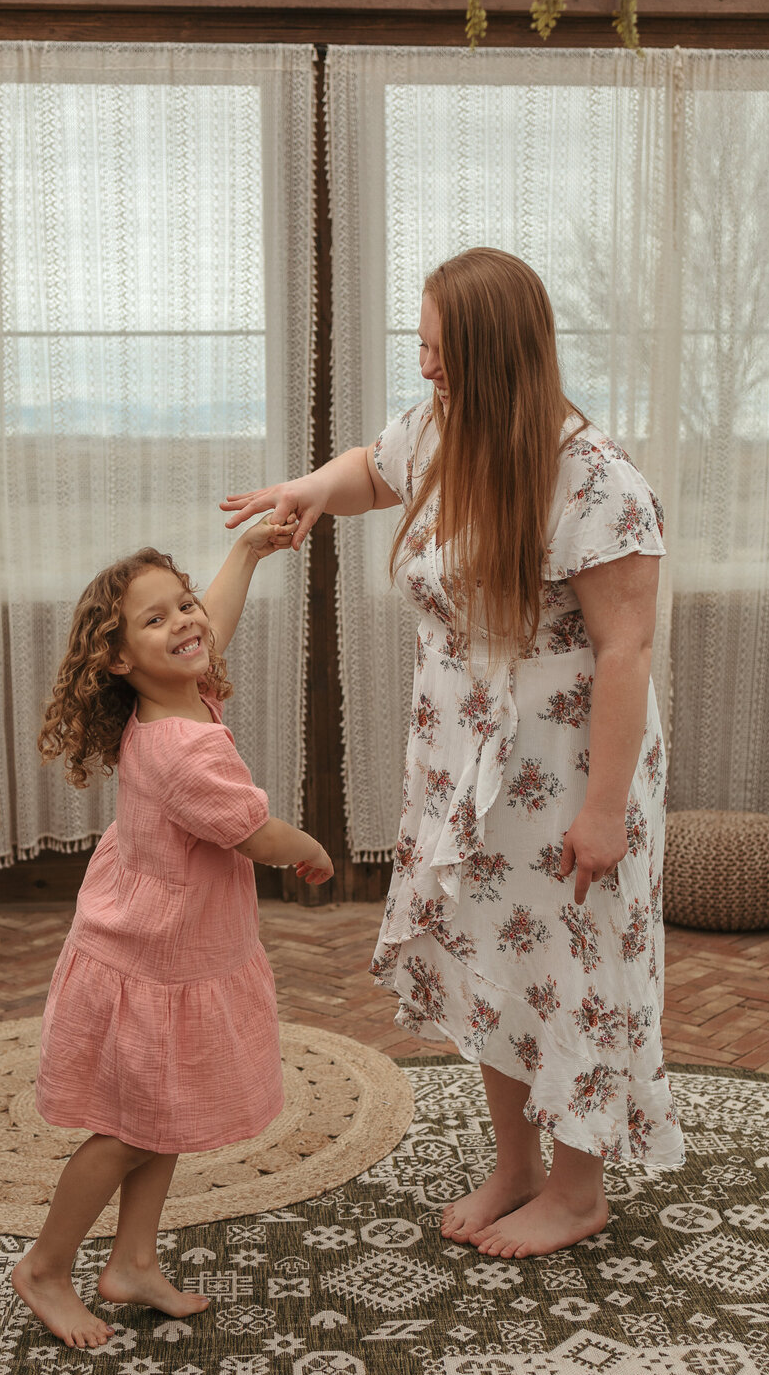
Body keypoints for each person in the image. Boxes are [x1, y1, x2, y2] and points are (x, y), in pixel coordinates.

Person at [223, 246, 684, 1260]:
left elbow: (625, 650)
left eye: (441, 352)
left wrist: (604, 811)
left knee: (575, 960)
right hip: (459, 757)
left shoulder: (597, 481)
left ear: (495, 353)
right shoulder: (442, 430)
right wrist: (306, 489)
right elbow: (370, 469)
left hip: (566, 762)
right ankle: (515, 1167)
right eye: (422, 351)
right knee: (489, 950)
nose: (426, 371)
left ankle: (578, 1189)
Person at [12, 518, 333, 1347]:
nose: (187, 622)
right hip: (150, 961)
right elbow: (257, 836)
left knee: (165, 1115)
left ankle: (132, 1263)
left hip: (173, 947)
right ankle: (46, 1267)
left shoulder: (178, 696)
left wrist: (248, 553)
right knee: (125, 1130)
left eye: (182, 604)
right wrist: (311, 851)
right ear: (118, 659)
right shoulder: (188, 752)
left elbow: (212, 625)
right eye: (155, 621)